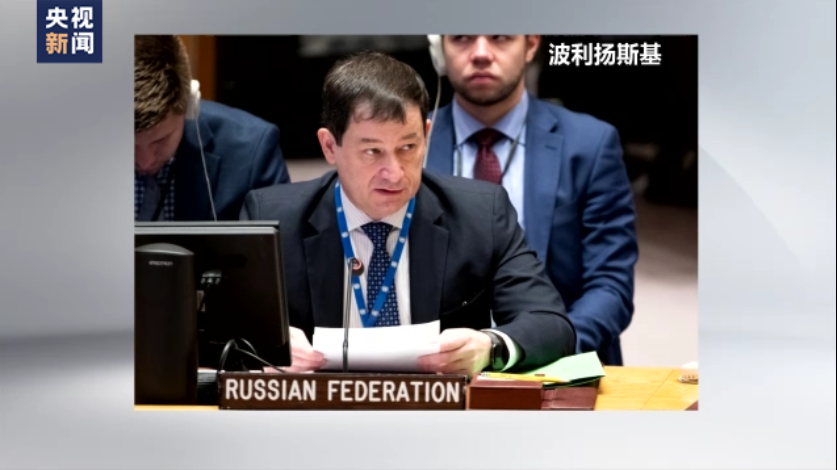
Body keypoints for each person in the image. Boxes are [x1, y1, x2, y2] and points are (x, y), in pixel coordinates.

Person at [241, 51, 576, 377]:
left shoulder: (481, 213)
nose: (395, 173)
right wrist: (265, 344)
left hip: (437, 408)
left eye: (407, 147)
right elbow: (226, 330)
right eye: (372, 151)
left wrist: (490, 345)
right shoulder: (273, 219)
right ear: (330, 146)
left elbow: (550, 324)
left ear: (426, 135)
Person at [425, 35, 638, 365]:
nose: (481, 53)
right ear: (439, 49)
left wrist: (539, 349)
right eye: (462, 38)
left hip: (558, 367)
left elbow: (610, 285)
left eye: (500, 37)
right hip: (439, 367)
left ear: (531, 45)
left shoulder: (590, 144)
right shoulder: (406, 146)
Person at [134, 35, 289, 221]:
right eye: (130, 145)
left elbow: (281, 237)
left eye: (161, 140)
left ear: (190, 106)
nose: (146, 162)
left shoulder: (253, 150)